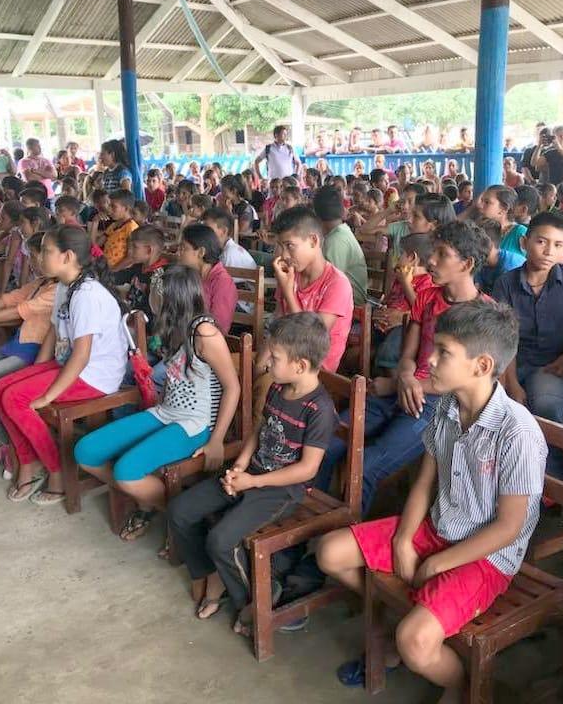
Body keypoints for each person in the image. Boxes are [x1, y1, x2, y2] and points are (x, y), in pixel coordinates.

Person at [317, 299, 547, 699]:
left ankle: (462, 684)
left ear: (482, 366)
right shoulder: (447, 408)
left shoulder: (517, 432)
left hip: (487, 556)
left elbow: (509, 528)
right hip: (437, 529)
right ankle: (403, 617)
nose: (430, 361)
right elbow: (425, 480)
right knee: (329, 552)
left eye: (443, 352)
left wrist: (438, 562)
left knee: (416, 642)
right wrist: (406, 539)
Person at [166, 311, 336, 626]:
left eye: (274, 356)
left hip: (282, 490)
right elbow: (260, 430)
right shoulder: (277, 388)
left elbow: (307, 470)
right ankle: (209, 573)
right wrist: (241, 466)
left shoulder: (319, 409)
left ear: (299, 365)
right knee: (180, 509)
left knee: (220, 539)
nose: (266, 362)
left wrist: (250, 483)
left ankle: (254, 605)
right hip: (250, 474)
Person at [315, 220, 492, 516]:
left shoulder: (483, 314)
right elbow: (409, 354)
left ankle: (345, 539)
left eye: (442, 254)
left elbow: (463, 384)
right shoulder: (426, 297)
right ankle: (310, 520)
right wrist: (406, 376)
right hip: (402, 387)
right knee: (325, 441)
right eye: (433, 252)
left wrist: (402, 384)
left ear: (467, 264)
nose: (431, 261)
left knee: (368, 464)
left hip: (440, 404)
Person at [75, 264, 240, 541]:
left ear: (170, 300)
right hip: (166, 412)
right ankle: (157, 506)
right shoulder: (174, 328)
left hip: (195, 424)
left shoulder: (205, 334)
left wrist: (216, 441)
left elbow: (232, 388)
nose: (150, 298)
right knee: (85, 451)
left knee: (126, 471)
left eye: (155, 294)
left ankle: (183, 525)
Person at [0, 226, 129, 505]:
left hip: (95, 375)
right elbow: (55, 332)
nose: (40, 256)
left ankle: (57, 472)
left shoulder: (87, 294)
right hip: (71, 365)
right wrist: (34, 372)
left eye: (46, 251)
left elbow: (82, 354)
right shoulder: (66, 286)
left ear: (66, 256)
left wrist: (47, 396)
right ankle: (28, 463)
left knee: (15, 397)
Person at [495, 212, 563, 424]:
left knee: (547, 406)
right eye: (541, 241)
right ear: (525, 242)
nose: (548, 251)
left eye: (557, 245)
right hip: (512, 362)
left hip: (553, 366)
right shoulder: (506, 283)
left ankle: (551, 458)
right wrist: (513, 384)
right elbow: (502, 339)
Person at [0, 233, 56, 474]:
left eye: (37, 256)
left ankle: (7, 441)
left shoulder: (57, 290)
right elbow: (2, 302)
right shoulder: (39, 284)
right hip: (14, 346)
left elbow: (17, 313)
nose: (33, 262)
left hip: (32, 353)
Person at [271, 207, 353, 374]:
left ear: (313, 241)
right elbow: (278, 328)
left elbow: (311, 341)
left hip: (314, 372)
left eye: (290, 246)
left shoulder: (337, 284)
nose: (284, 255)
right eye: (280, 246)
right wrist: (261, 363)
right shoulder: (289, 275)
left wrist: (288, 293)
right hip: (284, 360)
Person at [372, 233, 435, 373]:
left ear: (412, 258)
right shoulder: (399, 275)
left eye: (400, 254)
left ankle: (391, 380)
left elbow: (419, 307)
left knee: (388, 351)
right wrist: (382, 305)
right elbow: (390, 298)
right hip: (385, 322)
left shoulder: (426, 281)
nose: (397, 258)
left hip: (404, 326)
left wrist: (406, 284)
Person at [178, 224, 237, 335]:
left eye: (183, 248)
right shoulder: (190, 274)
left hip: (205, 341)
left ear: (201, 252)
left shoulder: (222, 282)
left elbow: (219, 327)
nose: (179, 253)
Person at [314, 186, 367, 306]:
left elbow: (331, 282)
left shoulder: (336, 240)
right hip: (341, 295)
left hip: (350, 301)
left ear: (317, 216)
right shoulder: (338, 232)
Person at [96, 189, 138, 271]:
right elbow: (96, 244)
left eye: (113, 206)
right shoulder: (114, 225)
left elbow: (130, 258)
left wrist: (112, 271)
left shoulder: (131, 228)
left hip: (120, 271)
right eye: (109, 206)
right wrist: (95, 223)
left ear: (126, 209)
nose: (110, 210)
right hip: (106, 269)